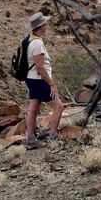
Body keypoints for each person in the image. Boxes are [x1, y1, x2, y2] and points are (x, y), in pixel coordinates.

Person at [24, 12, 64, 147]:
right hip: (39, 80)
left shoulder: (28, 40)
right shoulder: (37, 44)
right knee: (58, 106)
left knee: (34, 108)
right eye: (45, 25)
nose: (46, 27)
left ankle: (30, 139)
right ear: (41, 27)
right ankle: (53, 135)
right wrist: (51, 84)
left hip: (31, 79)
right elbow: (40, 67)